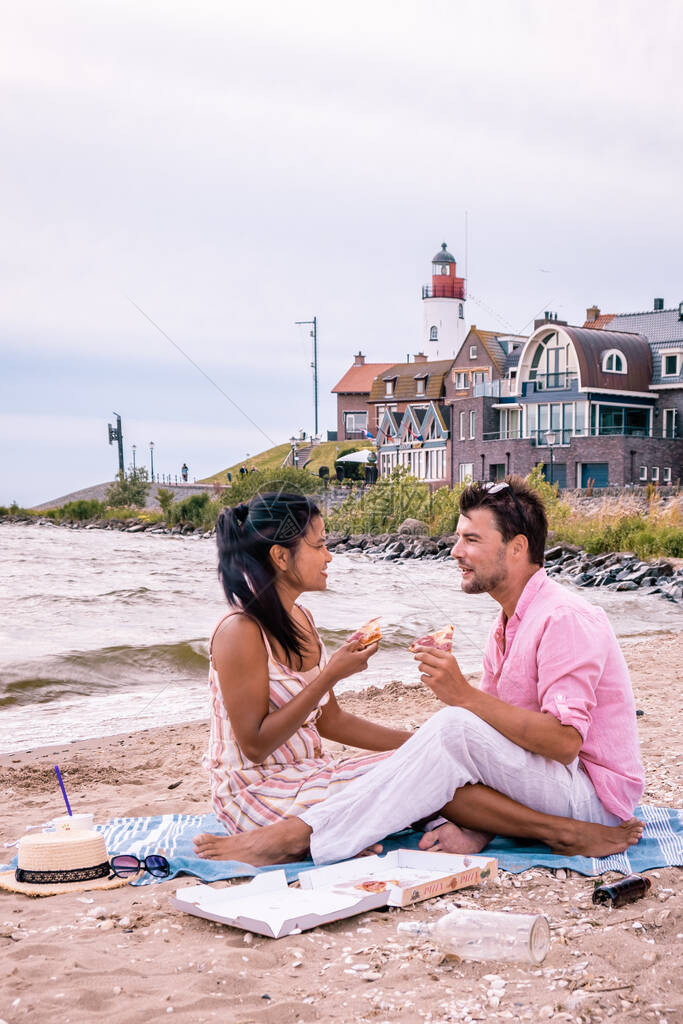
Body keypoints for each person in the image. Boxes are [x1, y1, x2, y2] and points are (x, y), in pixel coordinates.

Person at [195, 477, 645, 865]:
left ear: (517, 548)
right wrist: (437, 758)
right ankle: (552, 831)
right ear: (280, 556)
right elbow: (497, 744)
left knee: (447, 738)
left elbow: (564, 744)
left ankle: (298, 837)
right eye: (458, 538)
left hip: (591, 796)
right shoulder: (505, 627)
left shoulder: (564, 618)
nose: (455, 552)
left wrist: (460, 699)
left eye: (471, 539)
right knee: (434, 761)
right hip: (261, 784)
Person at [198, 491, 411, 839]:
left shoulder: (301, 618)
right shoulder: (240, 630)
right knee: (421, 777)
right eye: (319, 545)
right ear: (281, 556)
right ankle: (278, 843)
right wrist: (329, 676)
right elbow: (254, 745)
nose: (329, 556)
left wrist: (416, 742)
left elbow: (331, 720)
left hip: (308, 775)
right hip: (254, 795)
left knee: (426, 766)